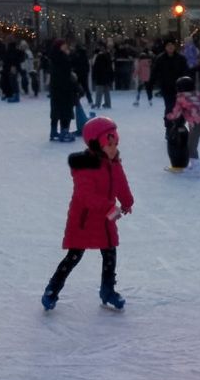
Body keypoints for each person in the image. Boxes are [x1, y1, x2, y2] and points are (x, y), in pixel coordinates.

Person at [41, 116, 133, 312]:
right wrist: (109, 207)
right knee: (74, 256)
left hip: (105, 219)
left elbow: (120, 182)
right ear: (96, 145)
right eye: (109, 144)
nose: (113, 148)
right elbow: (86, 196)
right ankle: (53, 289)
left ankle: (108, 290)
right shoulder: (84, 167)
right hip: (83, 220)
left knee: (110, 253)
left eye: (115, 144)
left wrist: (127, 201)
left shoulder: (114, 162)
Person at [149, 39, 187, 128]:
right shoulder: (160, 58)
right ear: (165, 47)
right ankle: (169, 127)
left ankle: (180, 125)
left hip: (179, 88)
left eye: (172, 45)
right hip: (166, 87)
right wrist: (151, 84)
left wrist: (186, 83)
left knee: (180, 107)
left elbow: (186, 72)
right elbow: (154, 72)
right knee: (169, 107)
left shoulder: (181, 58)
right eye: (168, 45)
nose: (170, 47)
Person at [49, 40, 76, 142]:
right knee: (66, 110)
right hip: (64, 87)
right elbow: (68, 70)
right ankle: (64, 131)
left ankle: (53, 131)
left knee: (55, 110)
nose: (66, 47)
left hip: (55, 88)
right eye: (64, 45)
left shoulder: (53, 57)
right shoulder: (63, 58)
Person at [91, 41, 114, 109]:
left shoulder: (99, 56)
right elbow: (110, 67)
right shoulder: (108, 55)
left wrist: (94, 75)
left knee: (99, 91)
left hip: (100, 76)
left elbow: (96, 67)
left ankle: (97, 104)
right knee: (106, 91)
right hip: (107, 75)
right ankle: (108, 103)